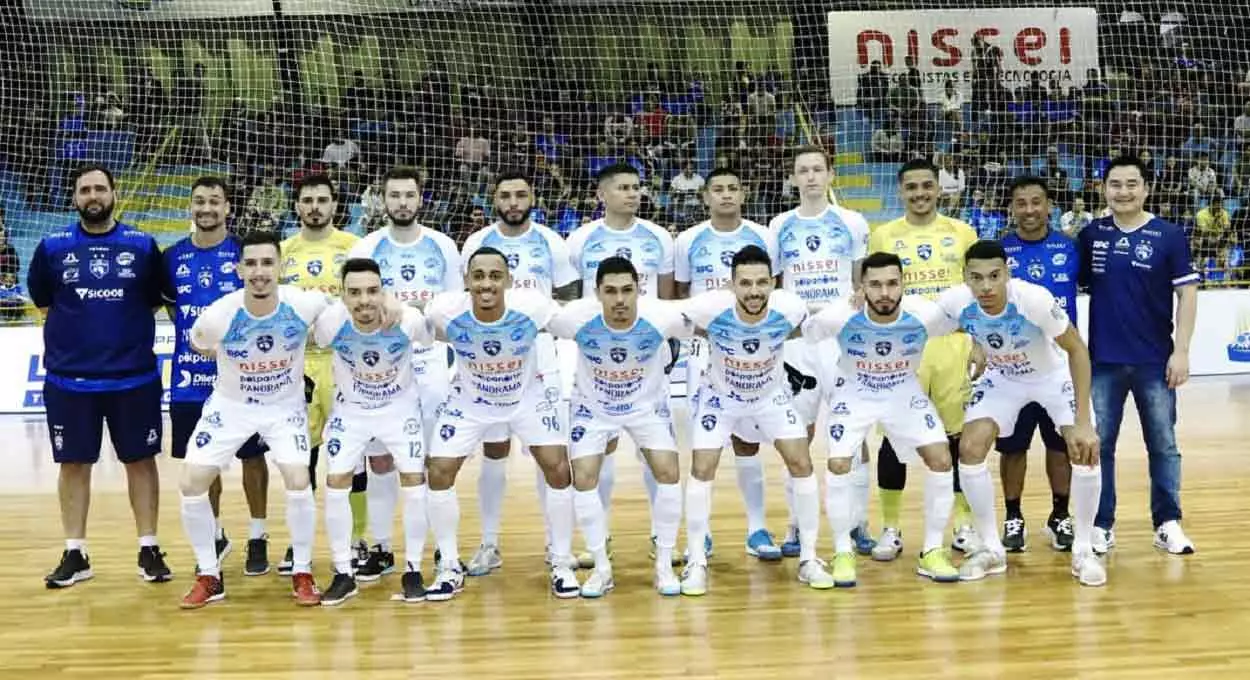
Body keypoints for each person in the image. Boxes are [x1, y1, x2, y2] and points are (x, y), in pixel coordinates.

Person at [177, 231, 401, 609]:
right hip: (231, 406)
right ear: (239, 269)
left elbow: (353, 301)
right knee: (191, 483)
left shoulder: (303, 302)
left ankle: (302, 571)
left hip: (284, 408)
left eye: (267, 263)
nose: (259, 272)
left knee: (299, 480)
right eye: (251, 264)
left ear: (280, 267)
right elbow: (199, 343)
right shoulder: (220, 313)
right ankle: (209, 575)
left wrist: (389, 298)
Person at [29, 164, 172, 588]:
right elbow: (44, 301)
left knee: (141, 462)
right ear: (75, 198)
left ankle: (148, 548)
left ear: (114, 193)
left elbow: (153, 301)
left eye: (100, 189)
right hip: (69, 381)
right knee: (73, 464)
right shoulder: (52, 247)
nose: (93, 196)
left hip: (134, 378)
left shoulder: (142, 246)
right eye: (85, 190)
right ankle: (75, 552)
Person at [936, 239, 1105, 586]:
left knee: (1084, 448)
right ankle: (991, 549)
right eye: (976, 277)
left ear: (1007, 274)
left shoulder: (1034, 299)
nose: (986, 286)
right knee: (969, 448)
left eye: (994, 276)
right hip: (1003, 377)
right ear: (965, 277)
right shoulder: (955, 301)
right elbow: (912, 321)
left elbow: (1077, 350)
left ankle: (1084, 550)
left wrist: (1084, 421)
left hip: (1051, 376)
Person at [422, 247, 577, 601]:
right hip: (470, 401)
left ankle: (561, 560)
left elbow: (571, 321)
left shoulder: (533, 306)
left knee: (557, 467)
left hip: (525, 398)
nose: (486, 284)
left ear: (508, 280)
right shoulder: (445, 309)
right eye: (478, 276)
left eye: (495, 276)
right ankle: (449, 565)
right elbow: (416, 317)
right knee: (439, 471)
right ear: (466, 280)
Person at [803, 251, 962, 586]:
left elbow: (965, 320)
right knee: (838, 463)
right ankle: (843, 552)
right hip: (854, 393)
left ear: (904, 283)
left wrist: (980, 346)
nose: (885, 292)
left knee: (941, 458)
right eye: (875, 285)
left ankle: (932, 551)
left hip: (904, 392)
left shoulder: (925, 313)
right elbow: (806, 331)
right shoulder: (841, 315)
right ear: (861, 286)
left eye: (892, 283)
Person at [680, 245, 830, 594]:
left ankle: (809, 558)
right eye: (745, 283)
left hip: (770, 398)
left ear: (773, 282)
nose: (754, 291)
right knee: (702, 468)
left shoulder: (789, 307)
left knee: (801, 462)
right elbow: (668, 317)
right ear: (731, 284)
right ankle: (696, 562)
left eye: (762, 283)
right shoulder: (708, 307)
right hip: (720, 400)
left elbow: (817, 320)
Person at [1077, 156, 1199, 555]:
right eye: (1115, 184)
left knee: (1163, 445)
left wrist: (1181, 351)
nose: (1124, 191)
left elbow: (1187, 294)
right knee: (1100, 446)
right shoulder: (1091, 234)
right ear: (1103, 189)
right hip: (1103, 362)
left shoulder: (1169, 235)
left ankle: (1167, 523)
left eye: (1132, 184)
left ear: (1146, 188)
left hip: (1154, 361)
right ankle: (1100, 524)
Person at [458, 170, 578, 576]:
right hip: (489, 360)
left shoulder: (551, 241)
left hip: (541, 357)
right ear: (494, 200)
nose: (513, 202)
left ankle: (555, 545)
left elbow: (568, 296)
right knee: (494, 451)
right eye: (506, 195)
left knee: (551, 454)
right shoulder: (477, 242)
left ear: (533, 198)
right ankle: (489, 543)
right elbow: (466, 296)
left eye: (520, 195)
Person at [547, 256, 688, 597]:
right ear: (597, 292)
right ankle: (602, 569)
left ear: (639, 290)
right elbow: (532, 319)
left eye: (627, 290)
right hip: (593, 408)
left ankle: (664, 565)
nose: (620, 299)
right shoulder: (573, 318)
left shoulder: (663, 317)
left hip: (646, 407)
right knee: (583, 478)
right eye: (610, 291)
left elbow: (707, 319)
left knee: (669, 472)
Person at [347, 166, 463, 580]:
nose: (401, 202)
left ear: (420, 198)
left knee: (435, 463)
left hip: (431, 364)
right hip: (382, 367)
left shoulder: (443, 246)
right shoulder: (367, 247)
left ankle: (443, 551)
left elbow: (453, 307)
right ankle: (382, 547)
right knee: (380, 461)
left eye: (408, 195)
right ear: (383, 200)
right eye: (394, 195)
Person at [866, 158, 980, 561]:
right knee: (893, 439)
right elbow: (874, 293)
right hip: (904, 349)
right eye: (911, 187)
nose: (920, 193)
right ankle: (891, 529)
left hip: (953, 345)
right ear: (901, 191)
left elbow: (977, 289)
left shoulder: (962, 232)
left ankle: (963, 525)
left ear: (938, 188)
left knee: (958, 439)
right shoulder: (883, 235)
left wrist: (978, 341)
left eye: (926, 185)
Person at [566, 162, 675, 564]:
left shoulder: (659, 237)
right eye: (624, 187)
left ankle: (660, 536)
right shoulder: (580, 239)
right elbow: (575, 298)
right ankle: (601, 539)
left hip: (646, 353)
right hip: (598, 356)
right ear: (602, 194)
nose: (633, 194)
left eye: (636, 187)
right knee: (601, 447)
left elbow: (665, 298)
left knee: (654, 449)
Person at [162, 176, 272, 576]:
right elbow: (174, 308)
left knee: (253, 457)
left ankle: (258, 536)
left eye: (214, 201)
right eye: (199, 201)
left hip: (244, 379)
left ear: (228, 207)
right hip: (189, 380)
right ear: (190, 207)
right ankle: (214, 535)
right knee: (202, 463)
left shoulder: (245, 252)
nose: (206, 208)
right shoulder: (171, 257)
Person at [673, 166, 783, 561]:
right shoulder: (688, 240)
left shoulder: (763, 236)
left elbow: (776, 290)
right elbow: (681, 296)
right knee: (704, 443)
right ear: (705, 196)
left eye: (732, 188)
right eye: (717, 189)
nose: (725, 195)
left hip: (752, 350)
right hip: (704, 349)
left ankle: (756, 529)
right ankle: (700, 533)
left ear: (743, 193)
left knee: (747, 440)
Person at [771, 145, 873, 557]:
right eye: (803, 170)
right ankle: (796, 525)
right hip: (798, 341)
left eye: (817, 169)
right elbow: (773, 285)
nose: (811, 176)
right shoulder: (778, 226)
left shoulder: (852, 222)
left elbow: (861, 284)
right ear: (793, 178)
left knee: (854, 431)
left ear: (831, 174)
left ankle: (858, 522)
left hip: (841, 340)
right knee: (797, 433)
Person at [313, 258, 433, 606]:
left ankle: (413, 569)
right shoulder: (330, 322)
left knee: (414, 481)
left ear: (383, 291)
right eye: (355, 293)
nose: (364, 300)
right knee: (336, 482)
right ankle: (343, 572)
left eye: (372, 291)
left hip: (399, 410)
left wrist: (401, 304)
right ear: (343, 295)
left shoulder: (407, 320)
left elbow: (430, 335)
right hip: (352, 411)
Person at [279, 173, 361, 575]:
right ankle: (301, 544)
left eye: (322, 200)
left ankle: (357, 540)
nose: (315, 207)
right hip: (300, 364)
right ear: (297, 206)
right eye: (307, 200)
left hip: (346, 361)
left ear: (334, 204)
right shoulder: (283, 251)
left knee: (352, 456)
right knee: (302, 457)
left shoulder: (354, 247)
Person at [998, 177, 1081, 552]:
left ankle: (1060, 514)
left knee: (1060, 445)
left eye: (1036, 202)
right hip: (1012, 366)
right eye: (1021, 203)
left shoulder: (1071, 247)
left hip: (1059, 367)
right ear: (1012, 208)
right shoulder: (999, 251)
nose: (1029, 210)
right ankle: (1013, 516)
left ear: (1049, 206)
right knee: (1012, 448)